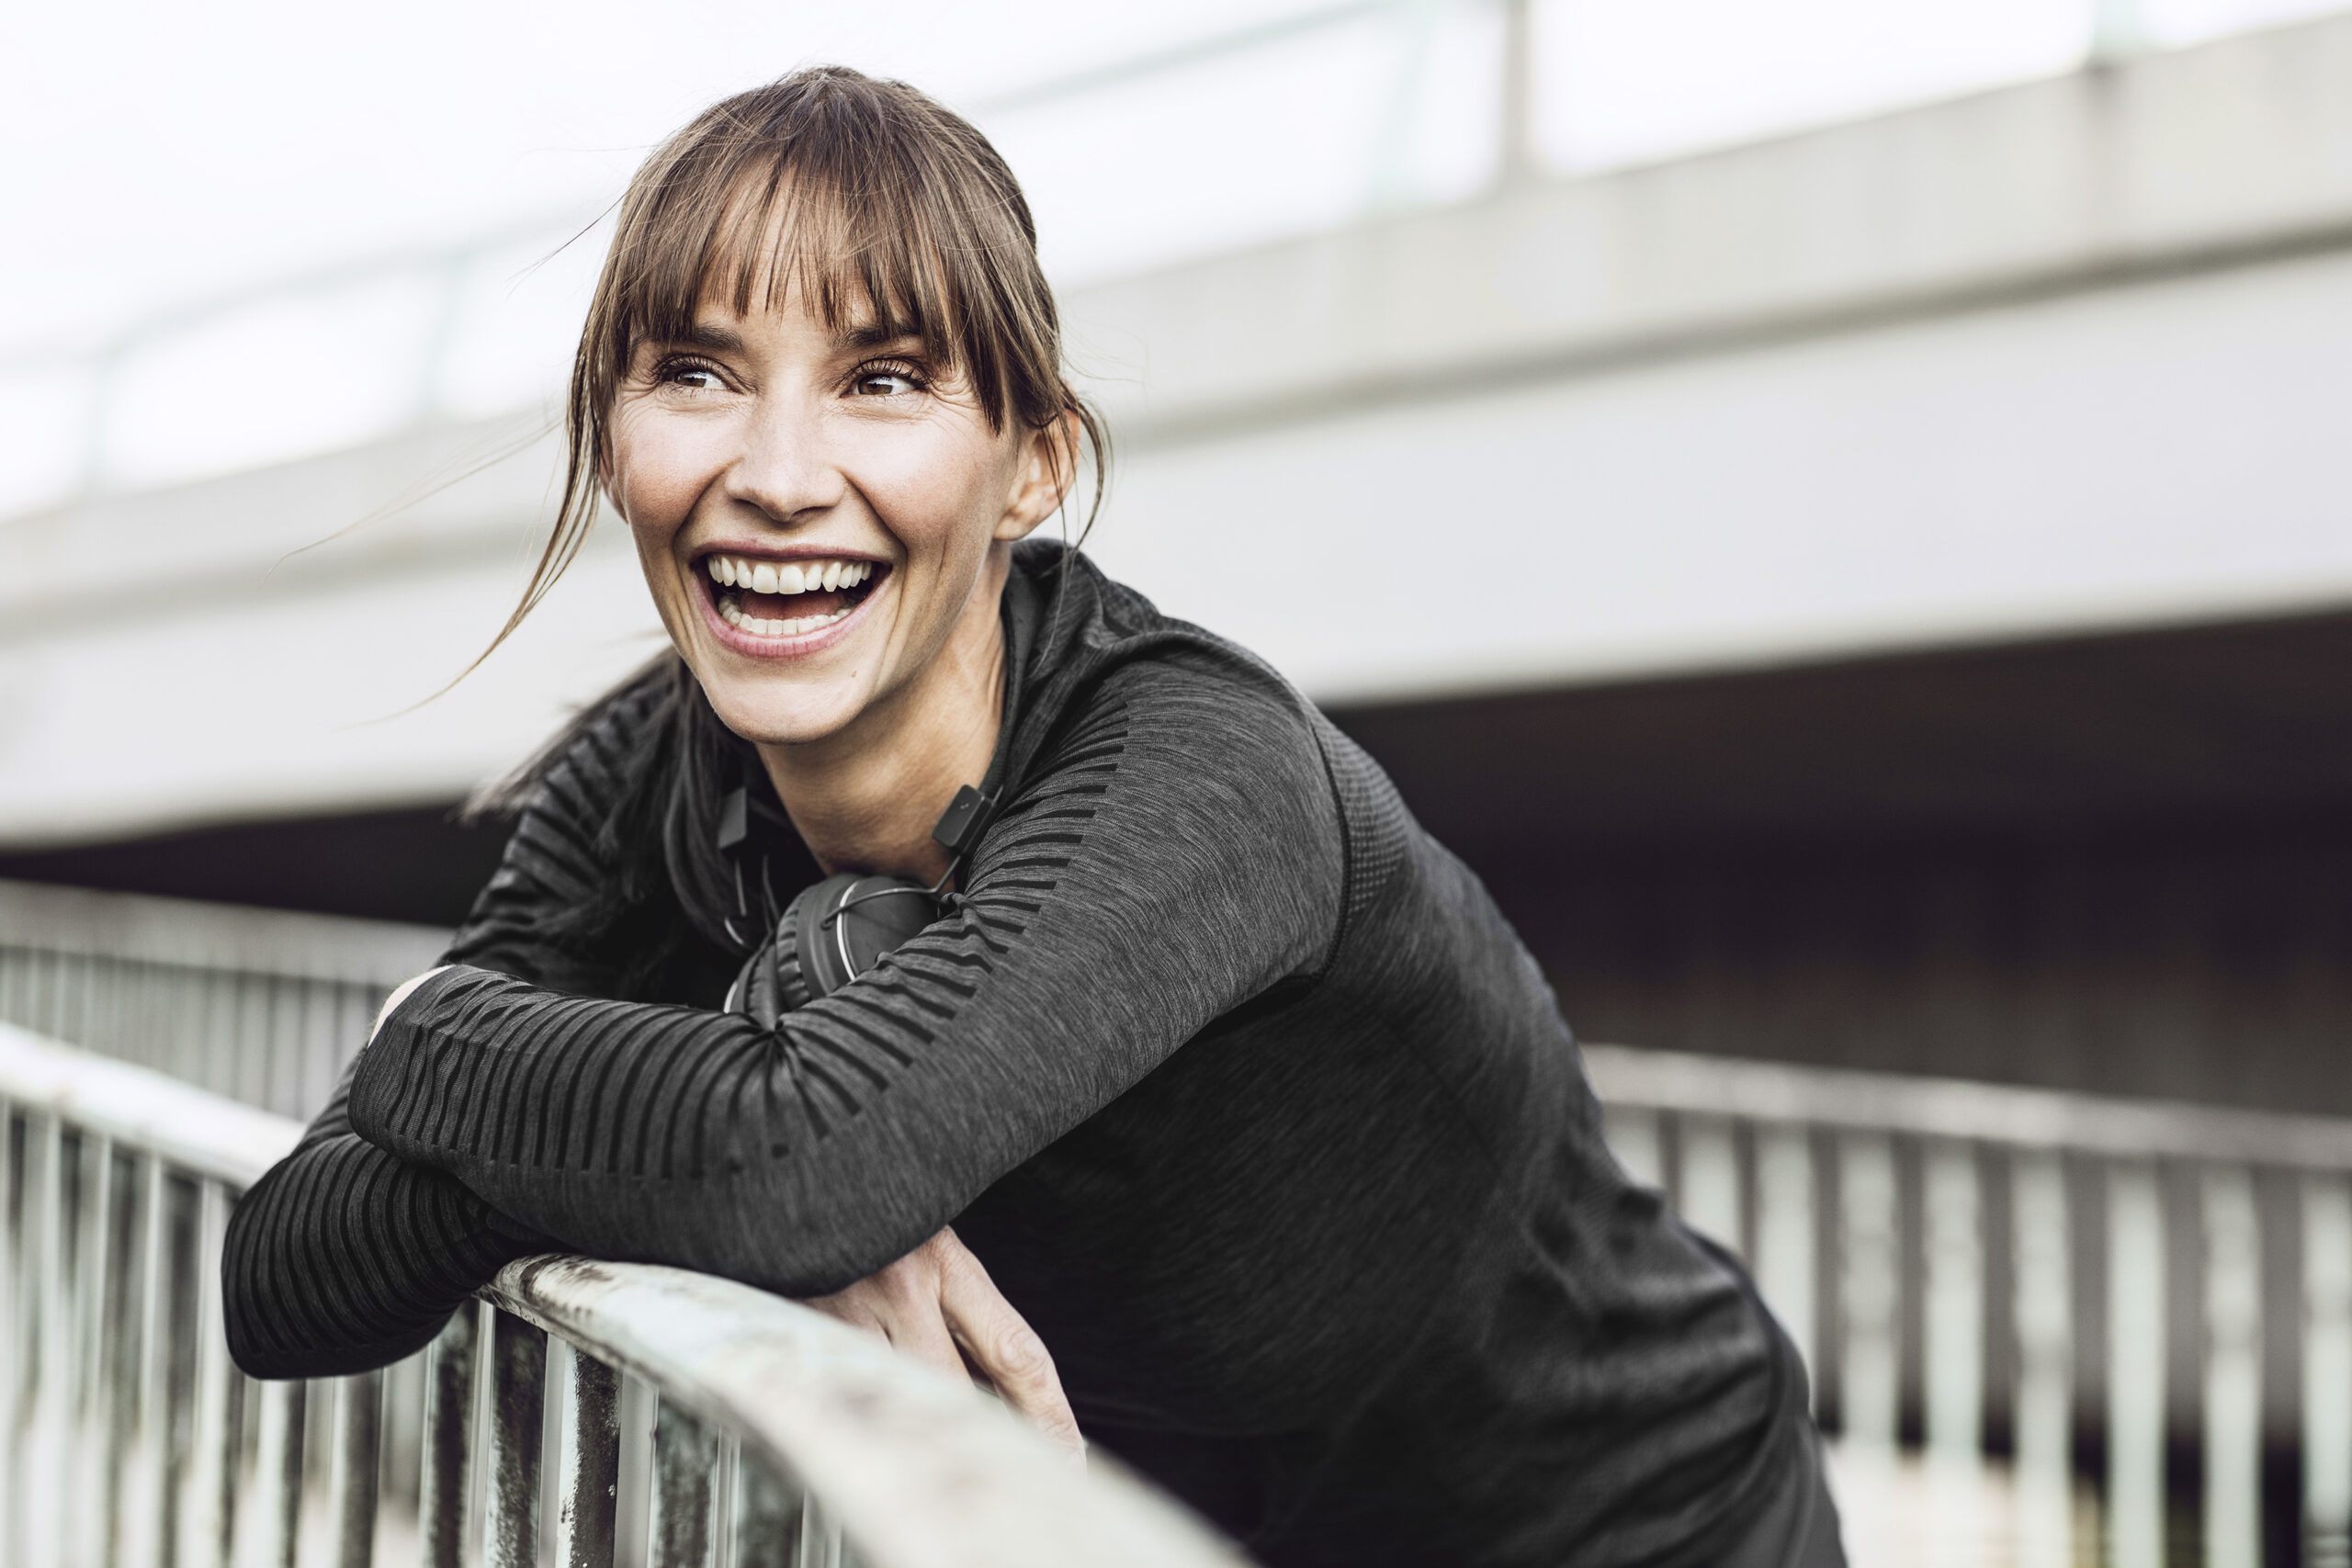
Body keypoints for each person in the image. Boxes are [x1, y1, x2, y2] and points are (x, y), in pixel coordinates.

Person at [222, 67, 1843, 1568]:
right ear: (614, 433)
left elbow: (798, 1162)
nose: (778, 474)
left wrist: (443, 1035)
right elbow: (288, 1274)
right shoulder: (658, 779)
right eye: (701, 373)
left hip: (1637, 1528)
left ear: (1032, 465)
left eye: (885, 379)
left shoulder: (1202, 773)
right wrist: (702, 1170)